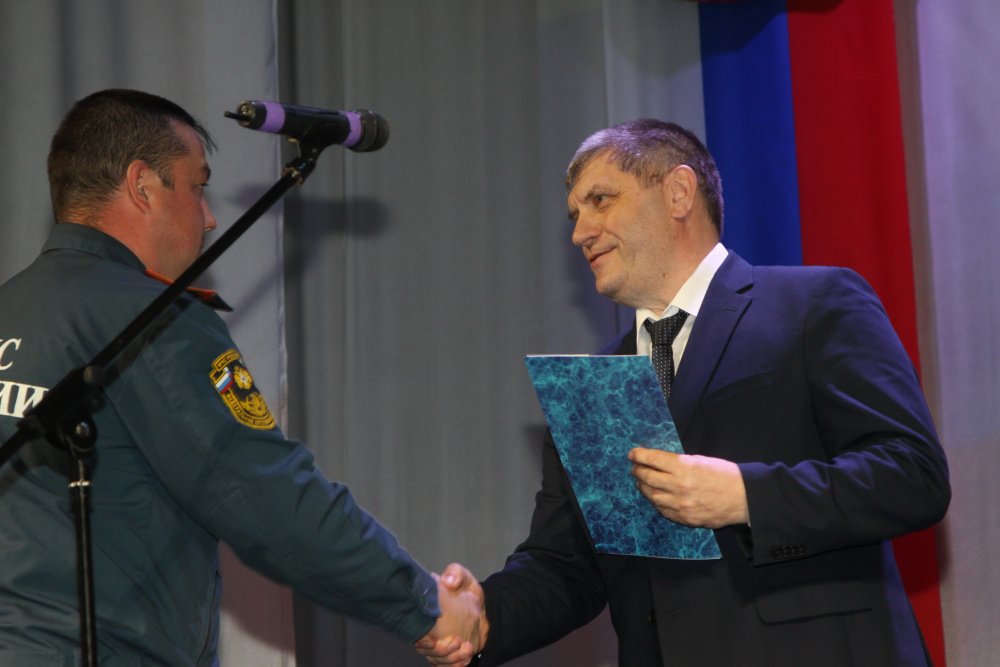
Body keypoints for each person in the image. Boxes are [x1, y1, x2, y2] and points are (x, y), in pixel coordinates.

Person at [418, 119, 950, 666]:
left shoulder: (814, 303)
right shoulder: (592, 387)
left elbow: (912, 476)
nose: (580, 233)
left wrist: (745, 496)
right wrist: (482, 616)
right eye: (576, 215)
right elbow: (566, 566)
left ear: (678, 192)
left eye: (600, 200)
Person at [0, 89, 480, 665]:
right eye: (197, 186)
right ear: (142, 184)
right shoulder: (150, 319)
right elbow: (263, 494)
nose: (208, 218)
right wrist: (424, 602)